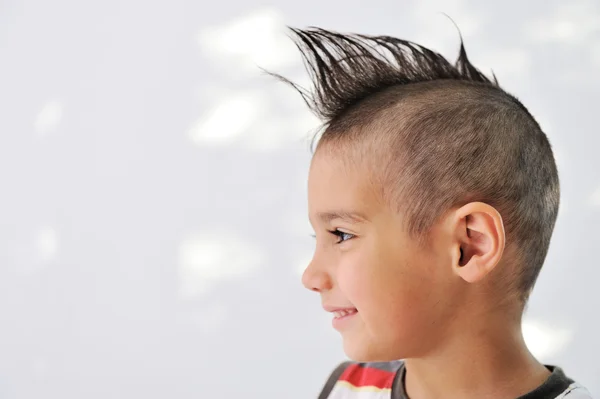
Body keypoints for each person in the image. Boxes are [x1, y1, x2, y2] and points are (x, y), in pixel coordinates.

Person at [270, 26, 594, 399]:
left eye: (341, 235)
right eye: (319, 238)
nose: (311, 276)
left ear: (469, 246)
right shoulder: (350, 388)